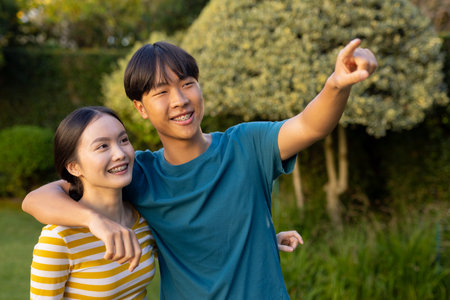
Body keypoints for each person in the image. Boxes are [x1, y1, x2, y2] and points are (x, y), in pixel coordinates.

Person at [23, 38, 377, 299]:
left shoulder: (246, 145)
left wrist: (335, 85)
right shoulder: (140, 174)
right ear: (141, 108)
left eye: (187, 84)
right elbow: (38, 198)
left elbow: (310, 125)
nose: (180, 100)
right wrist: (94, 221)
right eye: (161, 92)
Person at [29, 107, 156, 299]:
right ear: (74, 167)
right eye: (102, 146)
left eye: (123, 140)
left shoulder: (142, 219)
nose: (120, 153)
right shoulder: (59, 240)